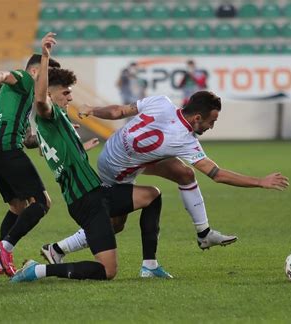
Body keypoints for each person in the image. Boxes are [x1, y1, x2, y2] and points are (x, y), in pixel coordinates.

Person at [45, 91, 289, 262]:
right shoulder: (185, 140)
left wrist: (92, 109)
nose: (211, 127)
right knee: (115, 225)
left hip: (114, 153)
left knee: (184, 173)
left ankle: (204, 233)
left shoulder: (161, 102)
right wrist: (259, 181)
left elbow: (119, 111)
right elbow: (216, 174)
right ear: (197, 118)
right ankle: (58, 249)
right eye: (211, 122)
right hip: (119, 171)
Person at [11, 33, 171, 283]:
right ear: (52, 96)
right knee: (107, 271)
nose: (71, 97)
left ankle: (149, 265)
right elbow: (41, 99)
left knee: (152, 195)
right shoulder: (47, 114)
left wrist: (78, 148)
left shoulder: (58, 122)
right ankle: (36, 270)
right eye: (66, 92)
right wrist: (44, 56)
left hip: (97, 194)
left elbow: (49, 149)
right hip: (86, 201)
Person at [0, 33, 61, 277]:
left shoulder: (22, 98)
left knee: (18, 207)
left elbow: (28, 139)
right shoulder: (25, 79)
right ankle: (4, 248)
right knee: (42, 203)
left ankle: (0, 263)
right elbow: (2, 73)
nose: (48, 82)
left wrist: (42, 140)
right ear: (36, 70)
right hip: (6, 147)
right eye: (48, 74)